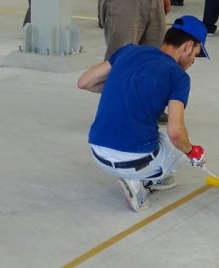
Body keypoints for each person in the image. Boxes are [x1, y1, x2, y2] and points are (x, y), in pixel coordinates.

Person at [77, 15, 210, 212]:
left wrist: (124, 85)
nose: (193, 62)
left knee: (162, 133)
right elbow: (175, 132)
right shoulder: (178, 76)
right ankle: (141, 182)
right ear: (188, 46)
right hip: (133, 162)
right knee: (180, 144)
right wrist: (193, 152)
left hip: (98, 153)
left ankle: (149, 175)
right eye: (196, 54)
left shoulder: (129, 51)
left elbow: (85, 82)